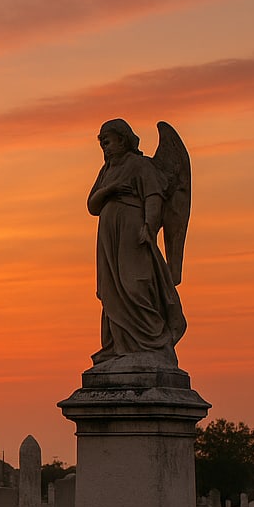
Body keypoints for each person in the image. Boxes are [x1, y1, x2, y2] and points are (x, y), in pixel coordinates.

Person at [87, 118, 186, 364]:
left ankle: (153, 343)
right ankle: (118, 346)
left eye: (108, 142)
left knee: (135, 285)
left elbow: (154, 197)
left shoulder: (140, 165)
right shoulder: (107, 170)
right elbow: (92, 205)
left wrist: (149, 227)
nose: (105, 148)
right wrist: (110, 190)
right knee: (111, 290)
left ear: (122, 139)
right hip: (109, 237)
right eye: (102, 145)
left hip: (133, 232)